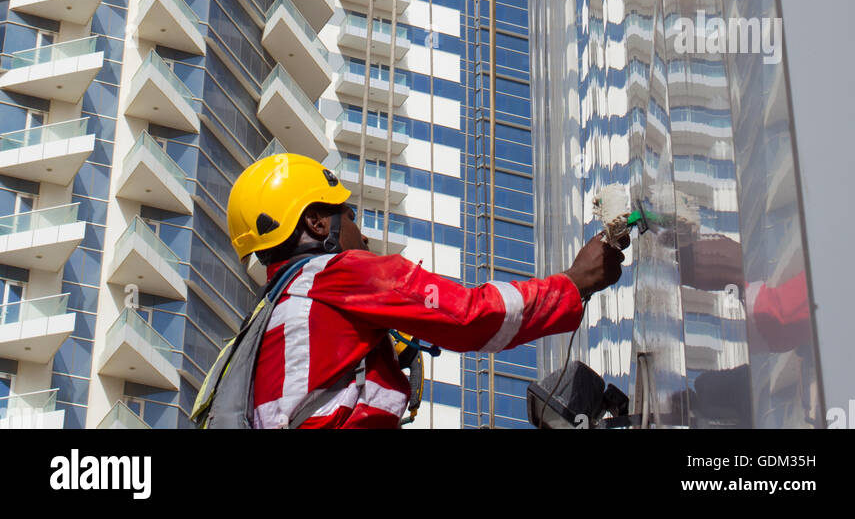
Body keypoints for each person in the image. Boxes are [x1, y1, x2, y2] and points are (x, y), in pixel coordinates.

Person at [208, 153, 629, 429]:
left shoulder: (268, 322)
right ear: (319, 223)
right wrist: (574, 282)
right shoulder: (337, 273)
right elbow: (469, 316)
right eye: (349, 214)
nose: (364, 234)